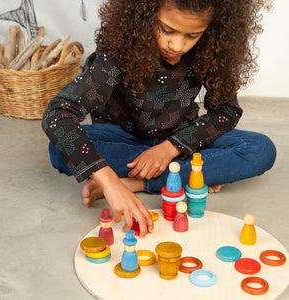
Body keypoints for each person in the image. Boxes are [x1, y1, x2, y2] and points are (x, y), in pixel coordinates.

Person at [42, 0, 276, 237]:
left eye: (192, 35)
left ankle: (137, 183)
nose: (177, 45)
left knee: (259, 149)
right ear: (144, 16)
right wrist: (110, 184)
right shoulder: (117, 52)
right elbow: (58, 114)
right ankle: (189, 176)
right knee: (58, 150)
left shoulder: (211, 50)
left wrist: (169, 149)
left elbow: (226, 111)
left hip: (180, 141)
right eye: (167, 30)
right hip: (123, 141)